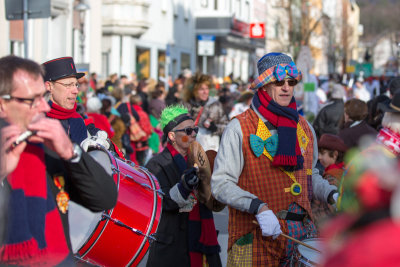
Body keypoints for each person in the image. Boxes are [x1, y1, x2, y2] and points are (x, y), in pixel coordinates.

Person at [211, 52, 338, 266]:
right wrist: (257, 206)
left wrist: (330, 194)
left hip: (302, 235)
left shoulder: (305, 127)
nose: (286, 88)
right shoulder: (239, 127)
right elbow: (221, 183)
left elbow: (310, 174)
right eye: (279, 82)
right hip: (255, 236)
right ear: (263, 86)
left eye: (291, 82)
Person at [0, 55, 117, 265]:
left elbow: (105, 198)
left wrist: (72, 154)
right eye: (33, 100)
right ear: (3, 105)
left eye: (42, 97)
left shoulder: (45, 147)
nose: (45, 108)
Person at [145, 105, 221, 267]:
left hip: (202, 239)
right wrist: (184, 186)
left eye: (195, 129)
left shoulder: (200, 160)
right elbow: (162, 202)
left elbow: (212, 198)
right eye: (188, 131)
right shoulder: (156, 164)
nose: (193, 134)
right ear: (172, 136)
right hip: (173, 247)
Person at [42, 57, 111, 152]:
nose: (75, 91)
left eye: (75, 85)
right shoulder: (34, 119)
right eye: (68, 85)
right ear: (49, 86)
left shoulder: (77, 120)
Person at [183, 72, 229, 151]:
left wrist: (214, 127)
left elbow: (226, 127)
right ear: (194, 91)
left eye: (207, 88)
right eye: (201, 89)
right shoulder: (187, 106)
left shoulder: (216, 105)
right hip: (190, 149)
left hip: (211, 148)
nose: (205, 92)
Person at [312, 134, 348, 229]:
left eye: (323, 153)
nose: (319, 157)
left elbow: (323, 210)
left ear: (335, 154)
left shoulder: (331, 177)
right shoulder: (345, 171)